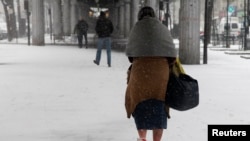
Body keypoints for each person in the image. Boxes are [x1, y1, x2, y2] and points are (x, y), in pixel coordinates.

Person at [125, 6, 177, 141]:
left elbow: (130, 54)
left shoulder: (136, 29)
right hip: (161, 72)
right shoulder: (162, 28)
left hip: (140, 70)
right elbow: (172, 54)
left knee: (139, 102)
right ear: (154, 15)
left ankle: (142, 138)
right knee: (160, 104)